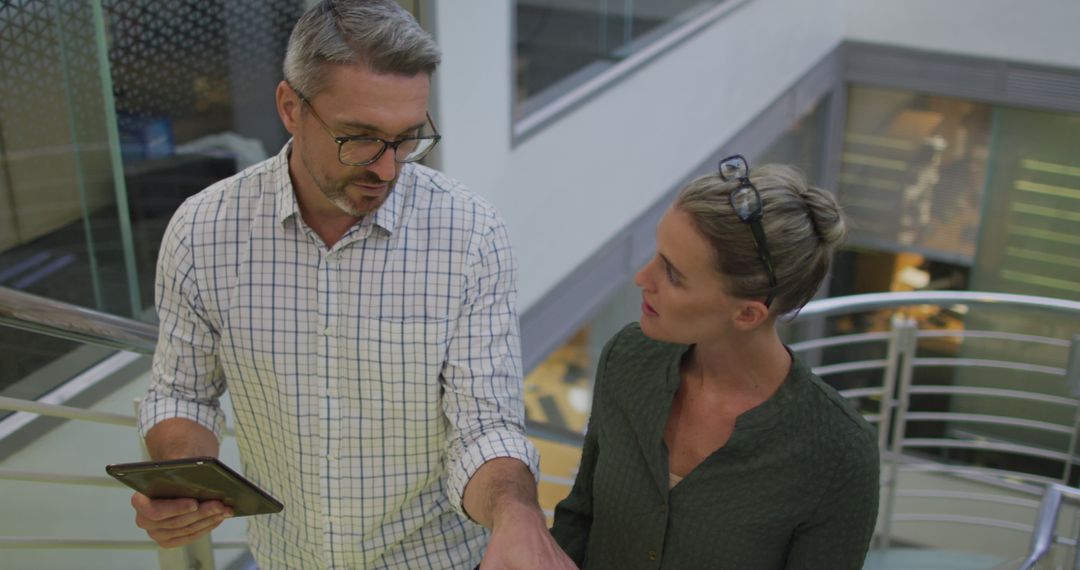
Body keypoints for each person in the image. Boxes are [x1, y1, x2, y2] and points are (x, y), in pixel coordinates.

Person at [130, 1, 574, 568]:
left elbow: (484, 424)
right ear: (290, 107)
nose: (388, 169)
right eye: (359, 138)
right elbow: (182, 392)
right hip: (287, 558)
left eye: (408, 138)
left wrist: (518, 516)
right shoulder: (202, 230)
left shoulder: (471, 233)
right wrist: (182, 482)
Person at [550, 155, 880, 569]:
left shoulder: (839, 455)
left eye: (672, 274)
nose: (642, 278)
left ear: (747, 314)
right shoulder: (627, 358)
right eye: (658, 254)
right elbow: (581, 517)